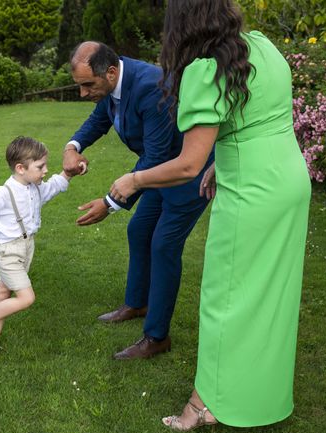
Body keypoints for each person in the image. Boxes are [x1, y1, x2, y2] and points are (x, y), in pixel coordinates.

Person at [111, 0, 310, 430]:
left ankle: (202, 406)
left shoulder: (206, 70)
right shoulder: (261, 46)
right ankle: (264, 395)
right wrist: (222, 160)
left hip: (253, 194)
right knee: (271, 296)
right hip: (289, 180)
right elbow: (263, 115)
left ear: (180, 25)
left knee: (226, 297)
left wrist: (134, 181)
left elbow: (187, 164)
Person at [63, 41, 214, 359]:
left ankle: (157, 337)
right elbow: (100, 118)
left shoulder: (150, 87)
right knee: (139, 231)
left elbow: (157, 155)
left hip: (189, 172)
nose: (83, 93)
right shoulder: (115, 81)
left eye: (87, 85)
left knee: (164, 244)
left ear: (111, 72)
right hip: (160, 170)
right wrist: (73, 146)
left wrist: (109, 202)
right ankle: (138, 303)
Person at [0, 136, 76, 361]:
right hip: (7, 252)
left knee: (4, 292)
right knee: (26, 297)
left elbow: (53, 186)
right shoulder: (3, 194)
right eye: (40, 166)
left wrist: (69, 173)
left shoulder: (35, 187)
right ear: (21, 168)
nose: (45, 170)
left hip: (25, 247)